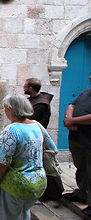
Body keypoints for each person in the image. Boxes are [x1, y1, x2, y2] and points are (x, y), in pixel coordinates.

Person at [0, 94, 57, 220]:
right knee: (24, 213)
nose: (4, 111)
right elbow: (52, 148)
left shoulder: (11, 130)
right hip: (38, 182)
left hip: (17, 184)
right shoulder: (37, 125)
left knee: (9, 216)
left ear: (11, 109)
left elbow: (3, 162)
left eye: (5, 108)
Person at [23, 78, 64, 201]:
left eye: (25, 86)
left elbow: (31, 118)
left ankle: (53, 192)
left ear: (30, 88)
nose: (23, 88)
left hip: (37, 137)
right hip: (32, 136)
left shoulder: (41, 103)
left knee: (44, 164)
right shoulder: (34, 100)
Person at [63, 73, 91, 217]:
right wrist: (69, 118)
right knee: (81, 167)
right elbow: (71, 105)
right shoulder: (86, 92)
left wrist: (74, 121)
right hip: (77, 138)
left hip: (89, 139)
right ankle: (82, 193)